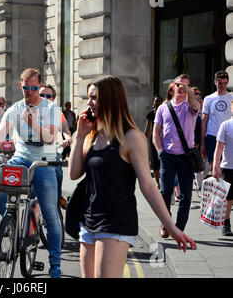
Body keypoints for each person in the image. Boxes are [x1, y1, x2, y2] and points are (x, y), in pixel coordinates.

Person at [69, 75, 196, 278]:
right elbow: (74, 173)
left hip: (115, 223)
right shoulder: (95, 134)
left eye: (93, 97)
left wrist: (171, 227)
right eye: (88, 98)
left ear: (110, 99)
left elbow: (147, 185)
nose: (88, 104)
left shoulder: (131, 137)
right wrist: (80, 135)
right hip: (88, 220)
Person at [0, 68, 63, 278]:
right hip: (21, 159)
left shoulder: (51, 108)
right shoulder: (15, 109)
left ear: (40, 86)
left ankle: (55, 264)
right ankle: (9, 221)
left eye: (35, 88)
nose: (30, 92)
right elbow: (0, 134)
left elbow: (50, 138)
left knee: (51, 216)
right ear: (21, 86)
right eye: (26, 88)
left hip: (44, 162)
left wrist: (32, 123)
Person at [153, 74, 199, 237]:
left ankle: (178, 228)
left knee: (186, 195)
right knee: (165, 192)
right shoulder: (163, 108)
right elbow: (156, 133)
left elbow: (194, 104)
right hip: (168, 156)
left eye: (186, 86)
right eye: (179, 85)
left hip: (186, 157)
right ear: (172, 87)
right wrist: (160, 151)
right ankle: (166, 222)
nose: (182, 88)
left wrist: (190, 92)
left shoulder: (191, 106)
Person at [39, 84, 72, 209]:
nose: (45, 98)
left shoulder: (57, 112)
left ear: (53, 98)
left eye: (49, 96)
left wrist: (68, 137)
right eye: (42, 95)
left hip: (49, 150)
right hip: (31, 152)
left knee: (57, 169)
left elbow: (65, 129)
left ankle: (58, 196)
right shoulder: (30, 110)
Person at [201, 71, 233, 166]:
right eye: (219, 83)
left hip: (228, 137)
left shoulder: (231, 98)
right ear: (215, 82)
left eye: (224, 83)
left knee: (225, 166)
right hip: (212, 136)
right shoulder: (208, 99)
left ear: (227, 82)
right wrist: (202, 142)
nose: (222, 86)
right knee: (214, 165)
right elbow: (204, 120)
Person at [212, 99, 233, 236]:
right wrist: (215, 166)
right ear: (231, 107)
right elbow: (218, 147)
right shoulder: (225, 125)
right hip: (228, 167)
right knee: (229, 198)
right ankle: (226, 224)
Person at [144, 95, 163, 189]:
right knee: (155, 162)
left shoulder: (164, 112)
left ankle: (163, 181)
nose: (157, 102)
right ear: (153, 102)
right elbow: (147, 130)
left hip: (164, 139)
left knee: (163, 161)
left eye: (159, 101)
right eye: (156, 101)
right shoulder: (150, 114)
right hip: (153, 140)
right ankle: (158, 182)